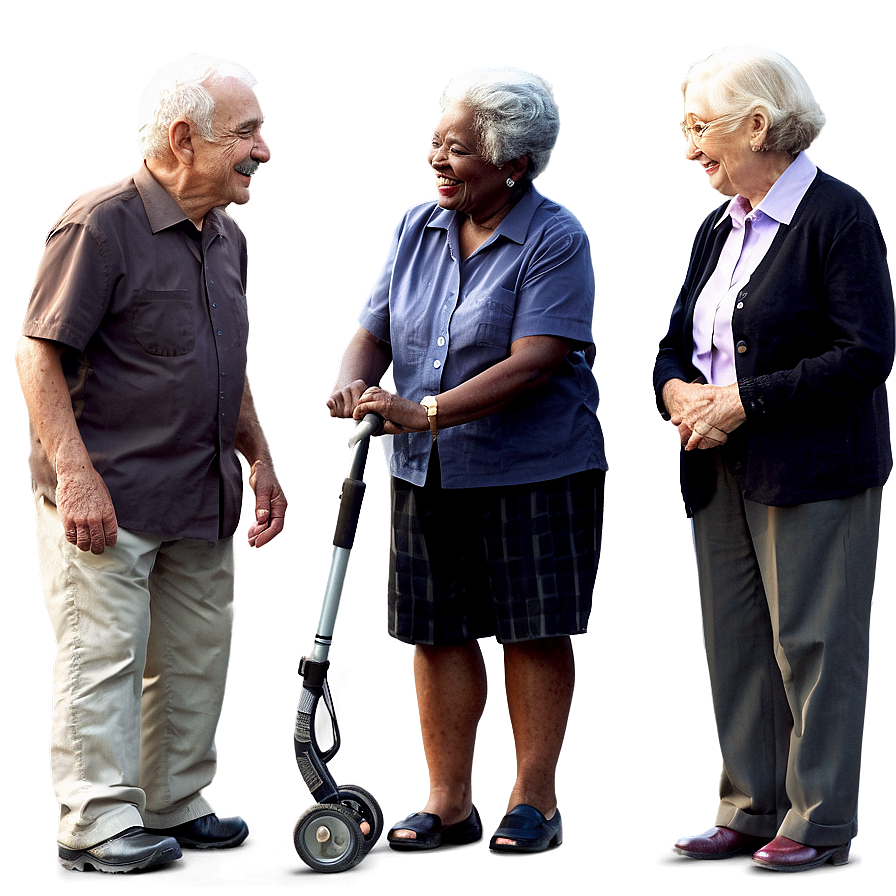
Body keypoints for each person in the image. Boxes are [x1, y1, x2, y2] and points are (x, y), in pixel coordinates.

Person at [15, 52, 287, 874]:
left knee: (195, 656)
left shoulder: (228, 237)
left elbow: (223, 361)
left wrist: (260, 456)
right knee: (102, 658)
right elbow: (36, 358)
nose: (265, 150)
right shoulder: (99, 225)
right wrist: (76, 474)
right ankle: (95, 820)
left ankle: (174, 800)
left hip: (202, 493)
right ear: (182, 138)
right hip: (110, 497)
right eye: (247, 133)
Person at [326, 65, 606, 854]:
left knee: (532, 630)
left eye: (456, 148)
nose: (436, 160)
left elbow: (538, 358)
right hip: (427, 470)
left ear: (513, 164)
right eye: (434, 144)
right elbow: (372, 329)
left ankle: (537, 804)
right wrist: (352, 385)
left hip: (535, 466)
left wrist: (426, 411)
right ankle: (448, 803)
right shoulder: (417, 227)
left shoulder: (556, 238)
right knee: (437, 630)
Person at [653, 43, 893, 872]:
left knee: (818, 647)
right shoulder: (715, 224)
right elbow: (668, 344)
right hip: (716, 466)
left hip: (813, 469)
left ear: (758, 123)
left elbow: (867, 352)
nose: (690, 149)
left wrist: (743, 401)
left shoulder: (838, 215)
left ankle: (818, 821)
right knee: (738, 644)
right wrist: (681, 393)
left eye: (700, 127)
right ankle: (749, 808)